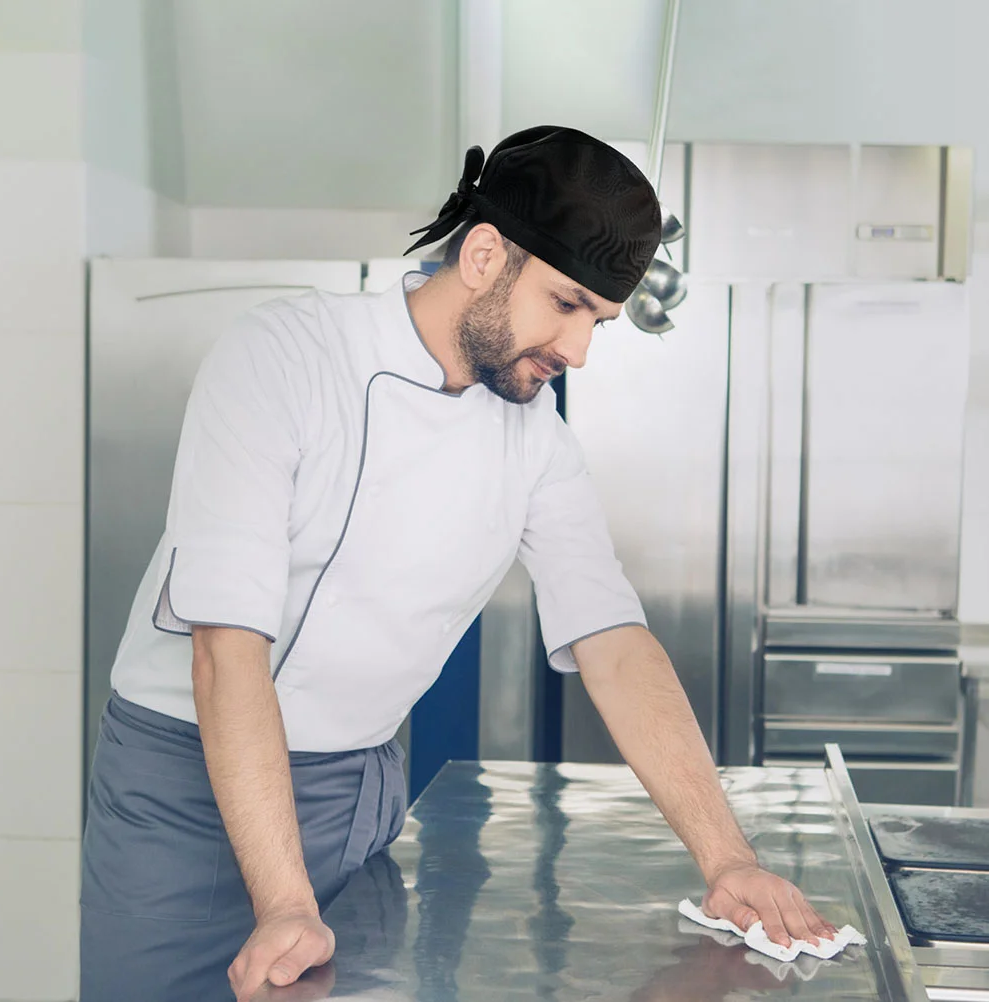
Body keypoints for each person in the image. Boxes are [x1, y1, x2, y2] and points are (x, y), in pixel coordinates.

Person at [80, 126, 836, 1002]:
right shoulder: (285, 357)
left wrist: (728, 858)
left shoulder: (535, 439)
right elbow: (227, 647)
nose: (580, 351)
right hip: (186, 796)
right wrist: (284, 900)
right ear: (483, 255)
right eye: (567, 304)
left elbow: (615, 642)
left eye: (598, 321)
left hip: (357, 790)